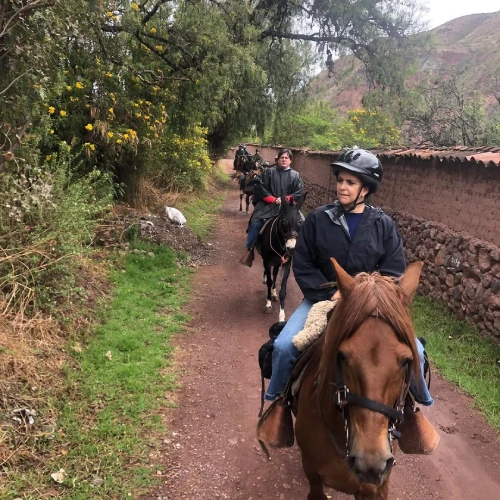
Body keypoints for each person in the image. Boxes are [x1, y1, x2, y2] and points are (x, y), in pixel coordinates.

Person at [265, 148, 433, 410]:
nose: (342, 187)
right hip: (323, 299)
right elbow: (305, 263)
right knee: (285, 346)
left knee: (416, 354)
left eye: (350, 182)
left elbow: (394, 269)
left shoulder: (383, 225)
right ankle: (278, 405)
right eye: (340, 180)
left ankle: (413, 408)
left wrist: (367, 294)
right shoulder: (317, 220)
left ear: (365, 189)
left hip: (371, 304)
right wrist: (327, 293)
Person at [239, 149, 303, 267]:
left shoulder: (296, 175)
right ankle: (250, 248)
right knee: (255, 223)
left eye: (286, 158)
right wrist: (273, 199)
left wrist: (286, 199)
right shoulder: (269, 172)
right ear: (278, 159)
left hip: (288, 207)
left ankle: (303, 252)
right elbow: (261, 189)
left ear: (290, 160)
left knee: (302, 222)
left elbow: (298, 193)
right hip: (268, 205)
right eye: (282, 157)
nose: (284, 160)